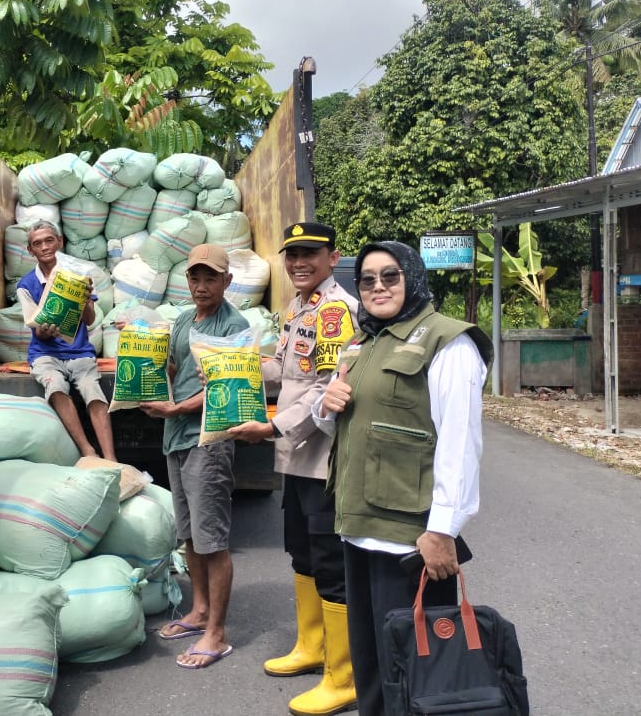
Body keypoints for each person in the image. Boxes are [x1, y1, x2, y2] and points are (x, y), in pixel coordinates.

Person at [316, 242, 492, 716]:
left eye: (390, 276)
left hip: (409, 541)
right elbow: (345, 423)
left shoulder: (448, 342)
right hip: (357, 528)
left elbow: (460, 442)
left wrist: (442, 530)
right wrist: (323, 404)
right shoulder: (363, 342)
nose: (377, 287)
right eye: (368, 279)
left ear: (412, 278)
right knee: (370, 663)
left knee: (415, 673)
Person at [228, 222, 359, 716]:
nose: (298, 262)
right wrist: (229, 364)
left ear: (332, 256)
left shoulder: (333, 313)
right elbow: (284, 371)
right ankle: (312, 648)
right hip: (295, 459)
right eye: (292, 255)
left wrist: (274, 428)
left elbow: (329, 387)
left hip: (320, 456)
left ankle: (342, 676)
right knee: (302, 552)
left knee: (329, 559)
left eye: (309, 254)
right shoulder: (298, 309)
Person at [141, 243, 249, 669]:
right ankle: (199, 610)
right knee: (189, 534)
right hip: (176, 438)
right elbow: (174, 368)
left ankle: (217, 633)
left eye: (210, 278)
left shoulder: (234, 326)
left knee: (212, 539)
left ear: (227, 281)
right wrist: (147, 357)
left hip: (210, 439)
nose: (201, 286)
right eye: (195, 277)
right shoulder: (185, 318)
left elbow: (227, 389)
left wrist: (176, 407)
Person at [16, 220, 117, 460]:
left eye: (49, 240)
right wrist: (45, 331)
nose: (44, 247)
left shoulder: (77, 276)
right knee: (56, 387)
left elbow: (90, 320)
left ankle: (111, 458)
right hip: (45, 354)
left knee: (92, 390)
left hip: (80, 352)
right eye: (37, 244)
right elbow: (36, 330)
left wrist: (83, 298)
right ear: (31, 251)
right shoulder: (26, 286)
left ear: (59, 242)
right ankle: (87, 450)